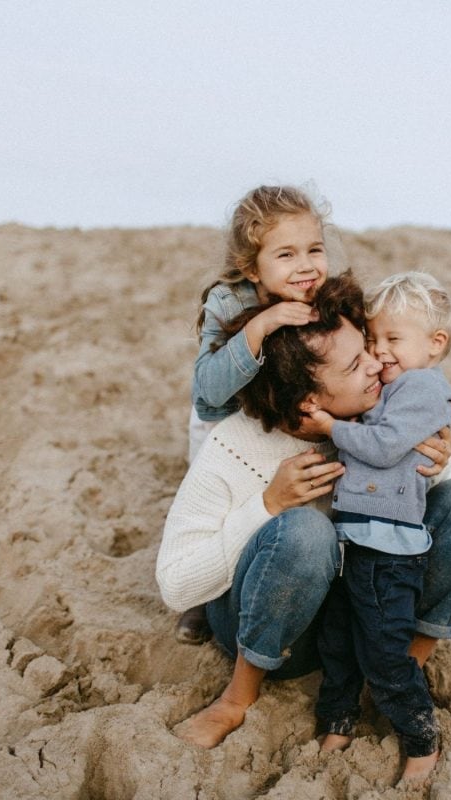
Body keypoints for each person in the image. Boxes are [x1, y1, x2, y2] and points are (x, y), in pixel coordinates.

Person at [154, 272, 451, 764]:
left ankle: (400, 670)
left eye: (371, 349)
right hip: (273, 628)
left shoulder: (377, 418)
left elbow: (447, 510)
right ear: (309, 401)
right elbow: (176, 587)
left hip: (364, 617)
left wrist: (439, 461)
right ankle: (237, 698)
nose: (378, 363)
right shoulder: (235, 443)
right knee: (306, 532)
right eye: (359, 363)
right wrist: (267, 505)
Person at [303, 271, 451, 783]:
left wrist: (329, 426)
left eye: (394, 339)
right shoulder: (392, 388)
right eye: (374, 339)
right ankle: (338, 720)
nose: (381, 351)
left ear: (436, 345)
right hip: (355, 540)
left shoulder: (425, 388)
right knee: (338, 642)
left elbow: (386, 445)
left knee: (386, 651)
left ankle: (420, 739)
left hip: (390, 552)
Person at [179, 185, 331, 644]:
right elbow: (208, 395)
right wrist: (261, 325)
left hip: (278, 424)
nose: (306, 265)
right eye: (286, 254)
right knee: (215, 507)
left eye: (315, 250)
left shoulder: (323, 296)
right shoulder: (228, 303)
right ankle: (201, 602)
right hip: (222, 424)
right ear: (252, 266)